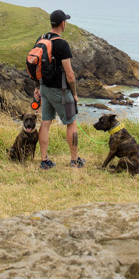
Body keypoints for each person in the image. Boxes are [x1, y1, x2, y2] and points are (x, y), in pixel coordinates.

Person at [32, 9, 84, 170]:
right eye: (65, 21)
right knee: (71, 123)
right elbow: (70, 74)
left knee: (45, 122)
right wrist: (74, 93)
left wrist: (37, 87)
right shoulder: (62, 44)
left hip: (44, 88)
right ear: (62, 24)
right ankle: (74, 161)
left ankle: (44, 160)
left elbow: (37, 65)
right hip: (60, 91)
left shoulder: (41, 39)